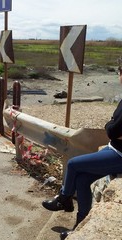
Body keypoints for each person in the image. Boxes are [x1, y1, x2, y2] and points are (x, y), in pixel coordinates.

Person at [42, 72, 122, 239]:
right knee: (82, 179)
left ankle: (64, 198)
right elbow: (114, 130)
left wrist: (111, 125)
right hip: (114, 148)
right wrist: (112, 126)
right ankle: (80, 226)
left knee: (73, 164)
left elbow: (113, 130)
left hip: (119, 155)